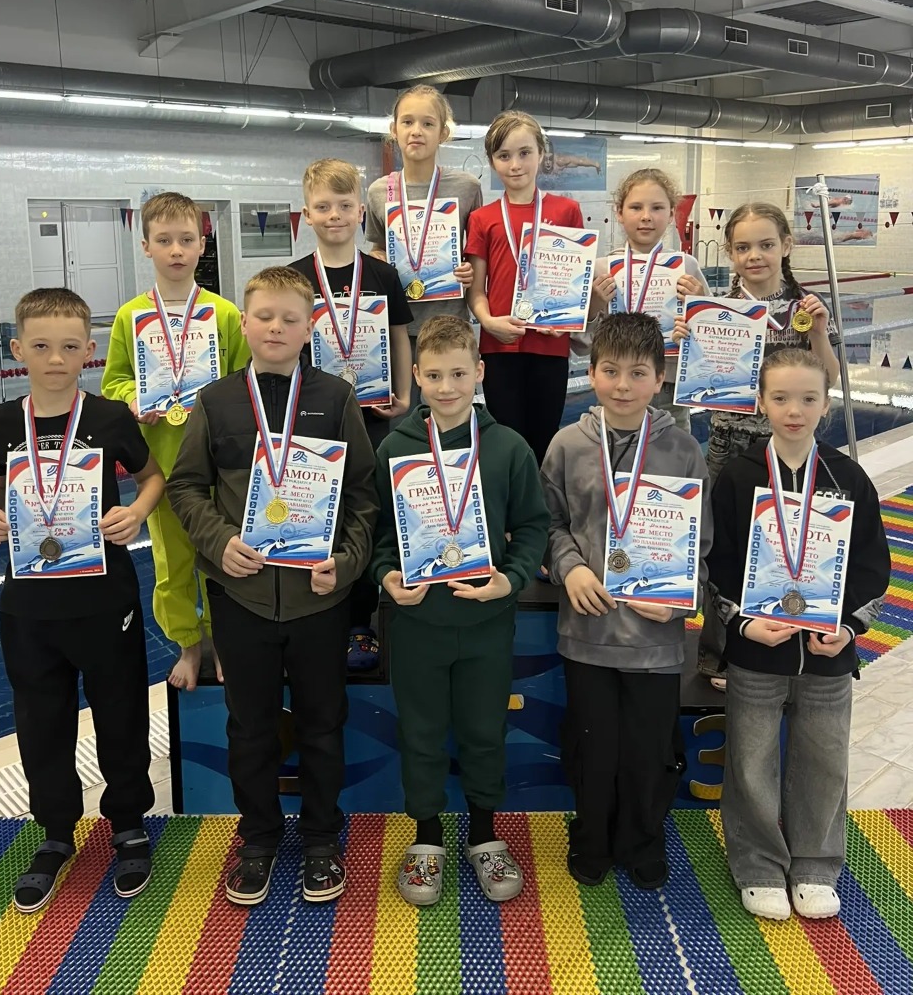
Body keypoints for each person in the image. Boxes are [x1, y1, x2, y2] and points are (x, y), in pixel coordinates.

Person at [167, 267, 377, 908]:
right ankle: (258, 839)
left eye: (290, 318)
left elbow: (364, 496)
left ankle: (321, 838)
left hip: (319, 598)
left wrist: (346, 562)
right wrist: (218, 541)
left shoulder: (336, 398)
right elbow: (185, 487)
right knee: (250, 727)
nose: (276, 328)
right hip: (243, 596)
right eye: (264, 316)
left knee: (322, 724)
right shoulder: (216, 402)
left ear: (310, 327)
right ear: (244, 323)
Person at [0, 288, 165, 911]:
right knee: (41, 720)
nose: (56, 359)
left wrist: (136, 512)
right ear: (17, 349)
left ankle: (128, 824)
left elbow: (152, 477)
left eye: (70, 346)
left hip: (105, 598)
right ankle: (55, 832)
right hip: (28, 605)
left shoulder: (109, 418)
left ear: (89, 350)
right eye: (42, 346)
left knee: (121, 713)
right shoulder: (4, 422)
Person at [370, 316, 549, 907]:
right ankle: (426, 839)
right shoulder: (393, 449)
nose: (446, 387)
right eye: (433, 375)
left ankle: (483, 835)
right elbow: (378, 535)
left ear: (479, 372)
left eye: (458, 374)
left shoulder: (508, 448)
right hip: (417, 623)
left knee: (483, 730)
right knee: (420, 732)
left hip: (486, 623)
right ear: (416, 378)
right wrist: (386, 577)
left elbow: (533, 527)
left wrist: (511, 580)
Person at [706, 348, 889, 921]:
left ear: (826, 404)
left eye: (808, 398)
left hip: (826, 655)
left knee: (824, 760)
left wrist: (849, 627)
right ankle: (759, 863)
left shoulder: (847, 477)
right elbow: (716, 562)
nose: (794, 410)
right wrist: (742, 622)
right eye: (781, 398)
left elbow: (872, 566)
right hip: (757, 650)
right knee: (750, 761)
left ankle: (814, 864)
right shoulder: (739, 477)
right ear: (760, 402)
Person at [541, 313, 711, 891]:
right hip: (587, 632)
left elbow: (700, 545)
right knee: (593, 747)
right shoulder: (567, 445)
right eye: (610, 371)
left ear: (660, 379)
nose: (622, 385)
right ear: (591, 373)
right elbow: (548, 522)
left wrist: (680, 600)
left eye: (638, 373)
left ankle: (642, 840)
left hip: (655, 640)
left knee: (646, 750)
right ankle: (591, 836)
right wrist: (570, 568)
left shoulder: (683, 451)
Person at [102, 191, 251, 692]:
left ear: (202, 244)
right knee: (172, 564)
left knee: (221, 556)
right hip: (161, 467)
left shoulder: (224, 314)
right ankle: (189, 644)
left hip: (218, 465)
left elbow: (242, 379)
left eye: (186, 239)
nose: (176, 250)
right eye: (164, 240)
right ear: (145, 246)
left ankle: (223, 640)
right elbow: (113, 381)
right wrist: (133, 399)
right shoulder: (129, 317)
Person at [692, 202, 838, 685]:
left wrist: (820, 332)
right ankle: (717, 650)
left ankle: (792, 636)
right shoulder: (717, 309)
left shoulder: (806, 308)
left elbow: (830, 379)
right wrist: (689, 338)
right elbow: (700, 379)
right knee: (722, 548)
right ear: (730, 253)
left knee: (786, 545)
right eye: (743, 247)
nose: (754, 255)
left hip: (788, 449)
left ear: (786, 246)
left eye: (766, 245)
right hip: (729, 444)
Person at [292, 158, 413, 673]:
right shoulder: (295, 278)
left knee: (368, 512)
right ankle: (320, 611)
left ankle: (363, 618)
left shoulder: (383, 274)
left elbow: (401, 337)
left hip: (374, 414)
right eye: (323, 207)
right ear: (307, 214)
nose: (334, 215)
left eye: (344, 205)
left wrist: (405, 395)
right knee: (321, 510)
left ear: (361, 211)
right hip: (315, 418)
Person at [466, 110, 585, 467]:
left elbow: (575, 282)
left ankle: (543, 503)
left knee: (544, 439)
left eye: (524, 153)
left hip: (550, 344)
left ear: (541, 154)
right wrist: (489, 322)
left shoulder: (566, 211)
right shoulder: (482, 218)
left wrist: (564, 320)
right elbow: (477, 290)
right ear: (492, 161)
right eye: (504, 155)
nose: (515, 164)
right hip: (499, 344)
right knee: (506, 442)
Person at [364, 84, 482, 391]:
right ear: (394, 130)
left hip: (451, 324)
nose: (416, 131)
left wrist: (469, 268)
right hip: (398, 325)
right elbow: (377, 247)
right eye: (407, 122)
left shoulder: (467, 187)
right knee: (405, 414)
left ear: (443, 132)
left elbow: (476, 253)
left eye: (428, 123)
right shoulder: (379, 191)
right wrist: (378, 259)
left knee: (450, 407)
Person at [591, 168, 709, 433]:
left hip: (668, 384)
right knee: (616, 451)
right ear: (619, 212)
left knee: (673, 452)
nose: (646, 216)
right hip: (617, 383)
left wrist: (699, 306)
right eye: (636, 207)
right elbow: (582, 341)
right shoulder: (602, 269)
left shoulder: (686, 266)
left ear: (671, 214)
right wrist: (594, 306)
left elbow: (710, 340)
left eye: (657, 208)